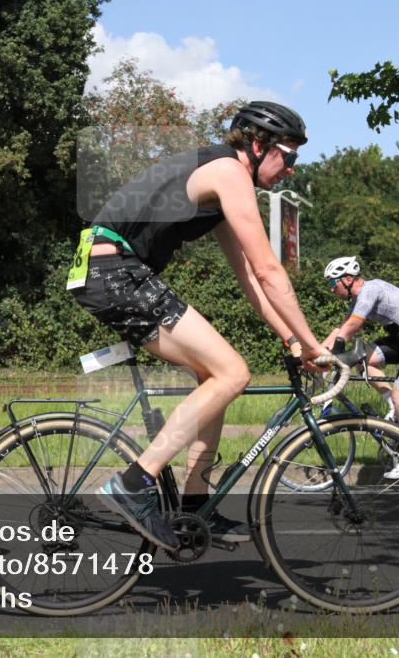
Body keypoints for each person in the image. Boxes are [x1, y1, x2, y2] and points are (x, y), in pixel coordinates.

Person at [68, 101, 330, 550]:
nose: (291, 169)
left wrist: (290, 337)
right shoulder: (228, 171)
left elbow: (251, 279)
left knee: (217, 376)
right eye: (288, 156)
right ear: (257, 143)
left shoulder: (224, 184)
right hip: (114, 271)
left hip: (109, 270)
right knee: (234, 373)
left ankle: (194, 507)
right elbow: (271, 269)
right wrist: (313, 345)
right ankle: (134, 485)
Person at [320, 256, 399, 479]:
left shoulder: (371, 288)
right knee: (363, 361)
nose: (331, 289)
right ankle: (393, 405)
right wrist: (315, 353)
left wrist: (337, 348)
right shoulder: (358, 300)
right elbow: (339, 328)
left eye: (332, 283)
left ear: (348, 279)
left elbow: (353, 325)